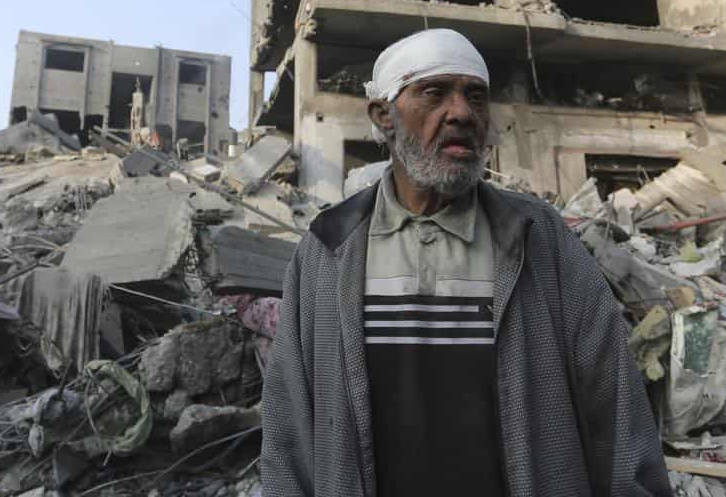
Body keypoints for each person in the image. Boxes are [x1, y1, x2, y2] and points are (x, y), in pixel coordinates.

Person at [261, 29, 671, 497]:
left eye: (475, 96)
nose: (460, 113)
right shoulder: (327, 249)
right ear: (383, 116)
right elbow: (288, 426)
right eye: (433, 93)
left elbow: (615, 406)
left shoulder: (539, 238)